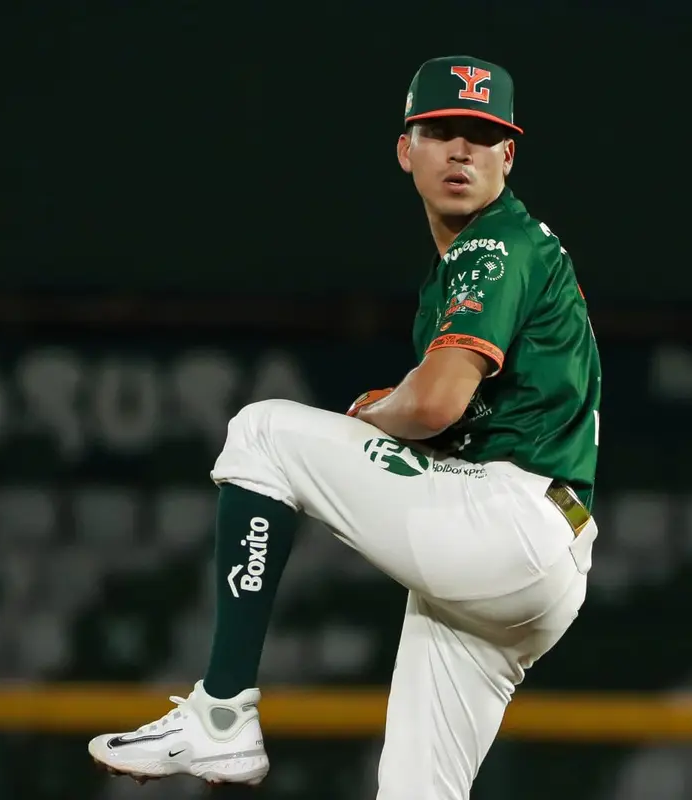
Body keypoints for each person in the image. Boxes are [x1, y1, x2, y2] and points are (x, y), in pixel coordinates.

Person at [88, 54, 602, 799]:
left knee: (262, 435)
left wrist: (374, 410)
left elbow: (434, 404)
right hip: (539, 555)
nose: (462, 150)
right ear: (406, 150)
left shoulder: (495, 247)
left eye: (483, 135)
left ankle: (222, 715)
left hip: (507, 521)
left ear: (509, 157)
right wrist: (403, 411)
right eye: (442, 131)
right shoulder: (503, 253)